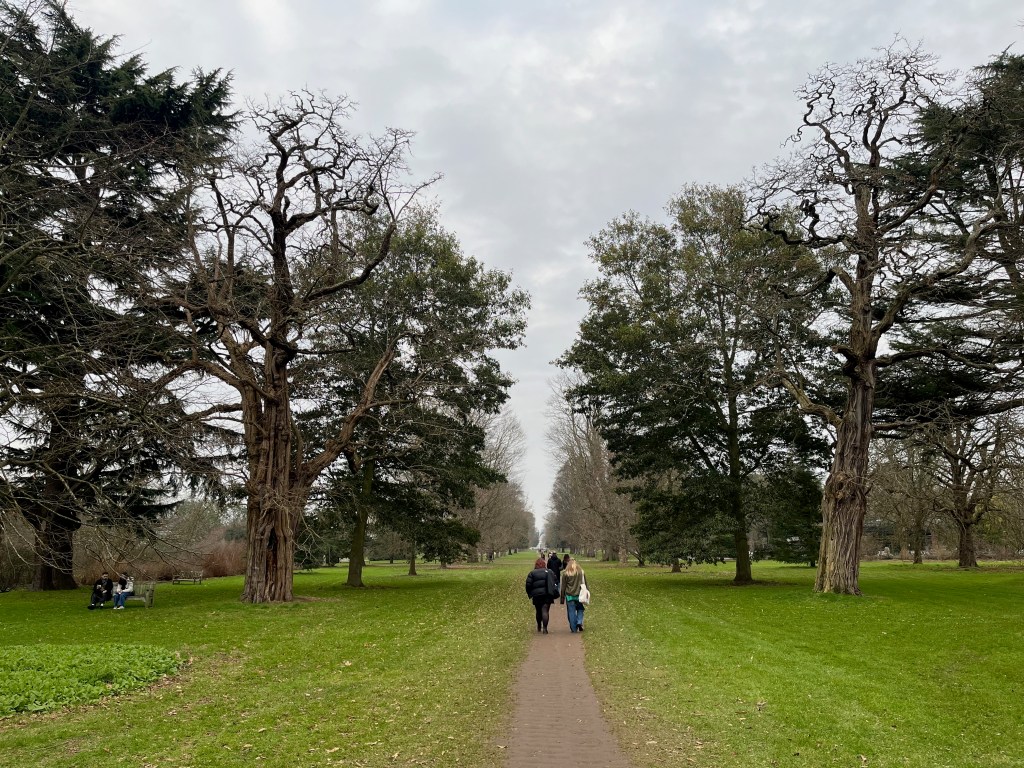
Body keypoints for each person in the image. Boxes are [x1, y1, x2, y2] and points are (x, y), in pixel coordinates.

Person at [524, 557, 558, 634]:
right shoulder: (549, 572)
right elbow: (555, 581)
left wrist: (530, 593)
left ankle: (539, 625)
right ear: (544, 564)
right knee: (545, 611)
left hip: (537, 595)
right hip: (547, 594)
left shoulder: (532, 573)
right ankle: (545, 628)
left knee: (538, 611)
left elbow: (528, 585)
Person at [559, 556, 587, 633]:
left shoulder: (565, 573)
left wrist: (562, 598)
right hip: (579, 595)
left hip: (569, 595)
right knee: (580, 609)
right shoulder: (581, 572)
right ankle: (579, 622)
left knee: (571, 612)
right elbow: (585, 583)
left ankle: (573, 628)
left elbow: (563, 587)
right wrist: (587, 592)